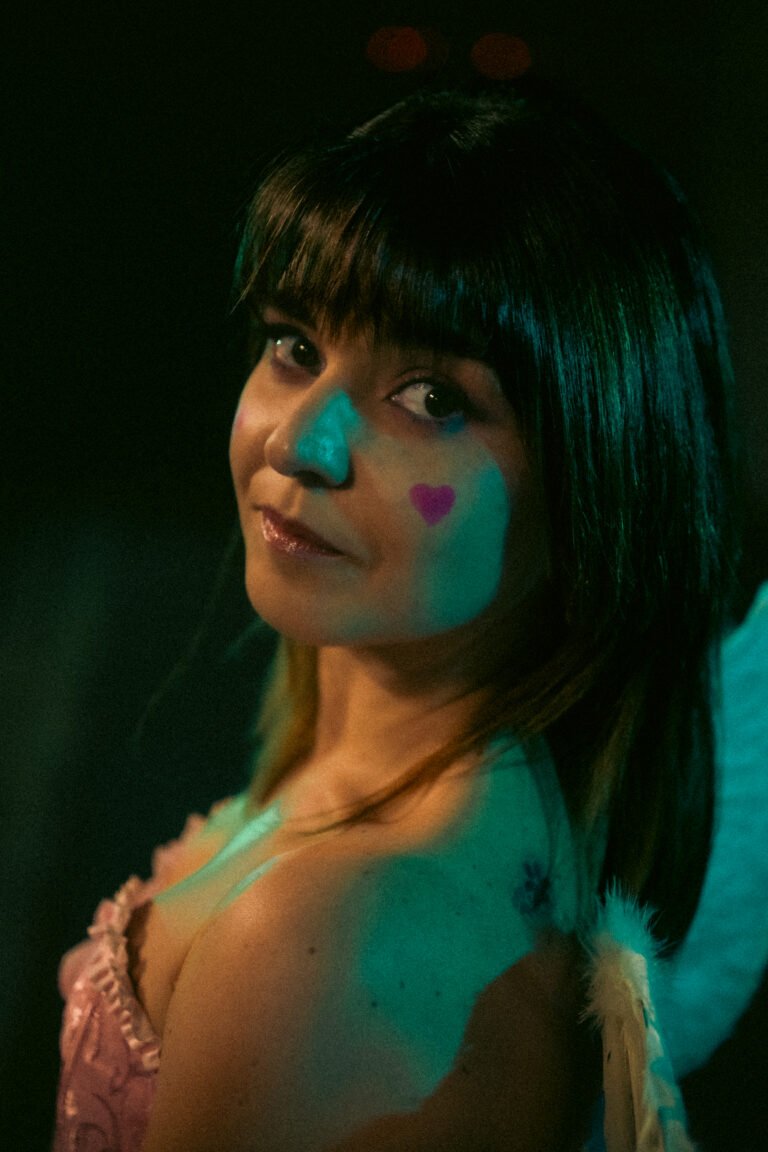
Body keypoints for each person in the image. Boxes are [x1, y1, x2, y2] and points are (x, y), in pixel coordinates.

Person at [53, 81, 736, 1152]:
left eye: (431, 399)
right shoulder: (424, 789)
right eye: (294, 345)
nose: (300, 443)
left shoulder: (329, 933)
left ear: (597, 484)